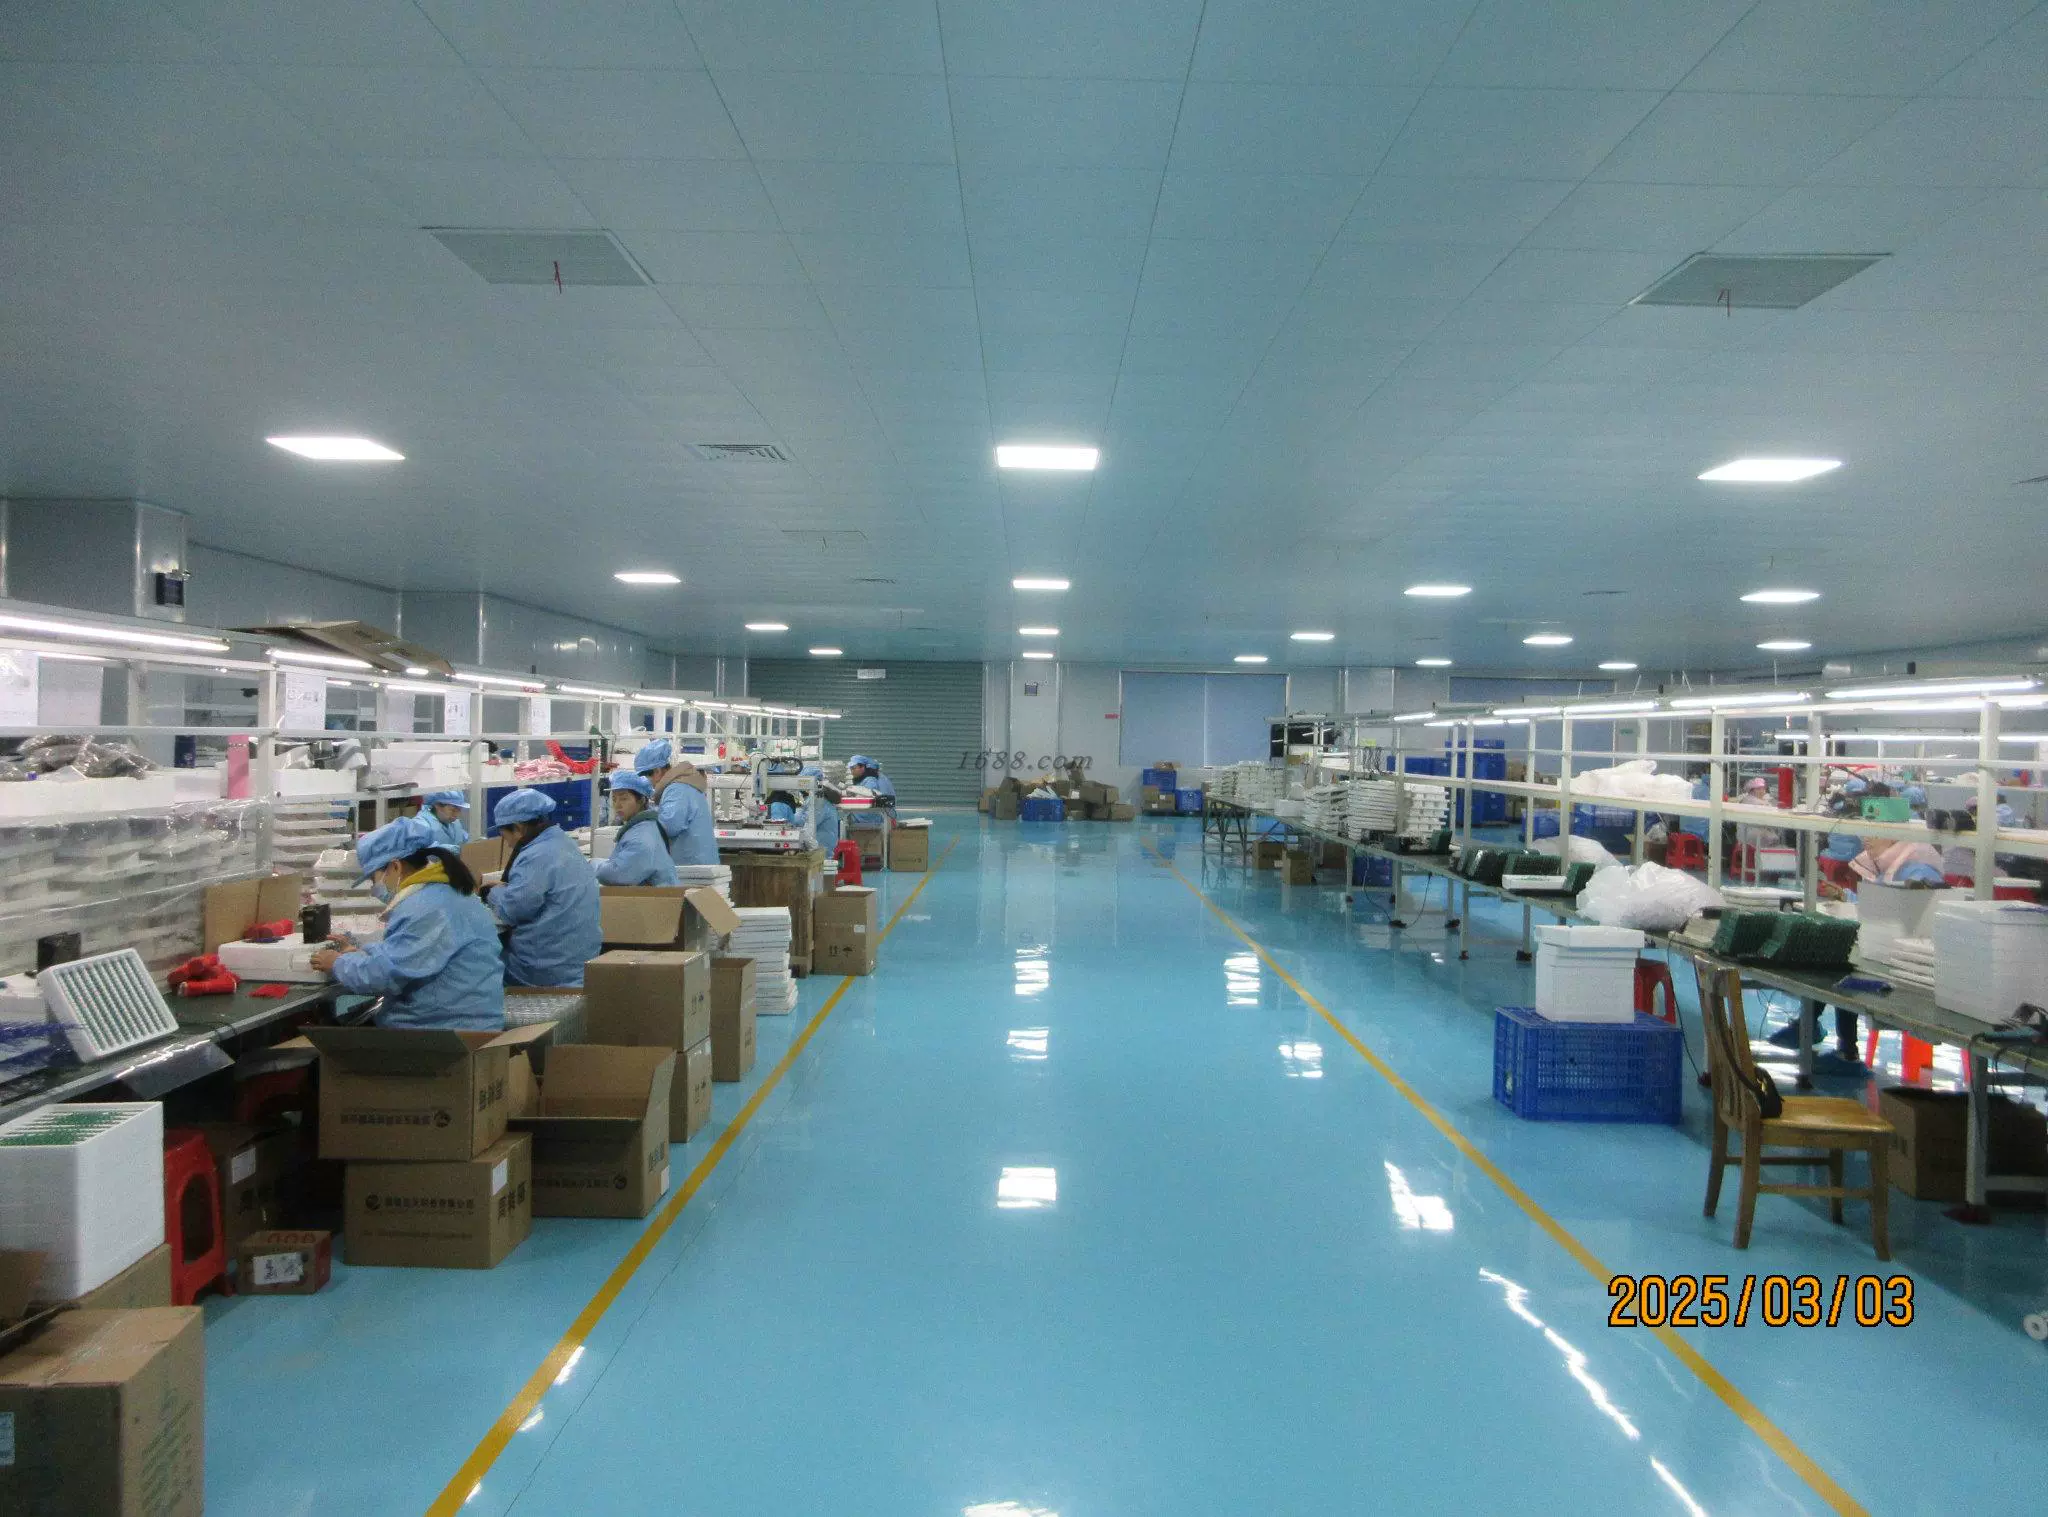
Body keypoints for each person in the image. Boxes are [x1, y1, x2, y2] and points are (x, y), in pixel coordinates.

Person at [308, 815, 503, 1030]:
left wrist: (337, 963)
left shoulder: (425, 907)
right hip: (463, 1019)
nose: (375, 886)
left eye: (375, 877)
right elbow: (407, 954)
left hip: (441, 1029)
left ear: (395, 867)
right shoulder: (445, 892)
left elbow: (386, 975)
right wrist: (362, 953)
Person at [489, 788, 602, 987]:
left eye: (505, 836)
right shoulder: (563, 842)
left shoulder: (536, 855)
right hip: (578, 960)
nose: (508, 845)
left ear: (518, 828)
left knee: (480, 961)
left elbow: (513, 911)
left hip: (546, 967)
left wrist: (493, 892)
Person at [634, 738, 718, 866]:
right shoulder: (682, 785)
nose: (649, 782)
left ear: (657, 771)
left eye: (647, 776)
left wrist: (640, 825)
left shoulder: (676, 789)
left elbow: (669, 826)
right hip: (697, 863)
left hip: (693, 867)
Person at [596, 772, 678, 887]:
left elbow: (618, 874)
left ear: (642, 800)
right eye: (614, 799)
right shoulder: (643, 827)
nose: (617, 805)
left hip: (657, 897)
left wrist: (593, 865)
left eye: (623, 798)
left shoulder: (641, 836)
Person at [794, 766, 841, 855]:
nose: (801, 787)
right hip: (817, 849)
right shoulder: (814, 798)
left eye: (804, 783)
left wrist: (791, 816)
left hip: (822, 851)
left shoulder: (819, 801)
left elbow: (807, 822)